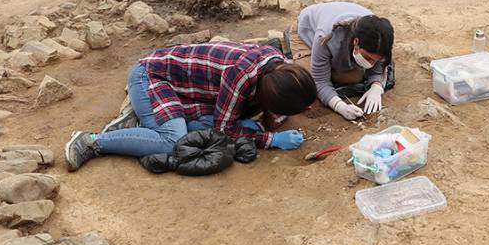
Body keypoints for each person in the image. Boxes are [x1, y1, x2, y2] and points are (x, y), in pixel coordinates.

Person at [64, 42, 316, 171]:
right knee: (172, 141)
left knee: (216, 126)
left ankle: (140, 121)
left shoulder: (281, 67)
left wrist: (270, 121)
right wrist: (270, 139)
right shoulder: (240, 75)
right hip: (152, 75)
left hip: (189, 92)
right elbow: (225, 129)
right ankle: (91, 141)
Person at [292, 2, 395, 121]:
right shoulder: (326, 36)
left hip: (338, 30)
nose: (371, 64)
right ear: (356, 42)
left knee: (352, 78)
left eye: (375, 60)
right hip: (307, 31)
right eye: (368, 58)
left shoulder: (380, 38)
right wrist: (339, 106)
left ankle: (332, 62)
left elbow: (379, 68)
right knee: (306, 81)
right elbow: (319, 80)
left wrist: (377, 87)